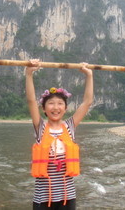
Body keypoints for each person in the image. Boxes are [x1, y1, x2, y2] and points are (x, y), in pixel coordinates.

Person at [25, 59, 94, 210]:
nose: (55, 107)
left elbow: (87, 102)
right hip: (43, 199)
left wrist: (89, 75)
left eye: (60, 103)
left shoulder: (70, 126)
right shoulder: (40, 127)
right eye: (51, 103)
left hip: (67, 198)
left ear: (65, 108)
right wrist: (29, 73)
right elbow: (31, 101)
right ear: (44, 108)